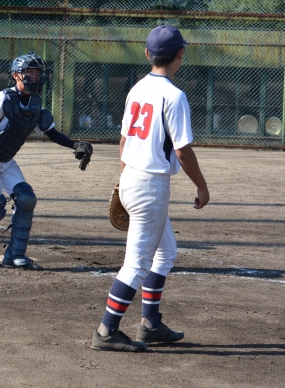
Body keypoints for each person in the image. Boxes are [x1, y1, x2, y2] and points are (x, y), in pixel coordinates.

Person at [90, 25, 210, 352]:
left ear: (147, 54)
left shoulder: (137, 88)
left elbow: (124, 140)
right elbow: (182, 151)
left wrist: (128, 177)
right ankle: (106, 331)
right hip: (151, 186)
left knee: (165, 252)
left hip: (131, 176)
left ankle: (150, 323)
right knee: (137, 264)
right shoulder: (174, 96)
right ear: (180, 54)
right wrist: (202, 186)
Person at [0, 52, 93, 269]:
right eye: (29, 72)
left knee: (26, 199)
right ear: (16, 75)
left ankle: (14, 255)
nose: (34, 77)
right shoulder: (3, 98)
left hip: (6, 160)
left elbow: (52, 133)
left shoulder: (35, 105)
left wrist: (76, 145)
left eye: (37, 72)